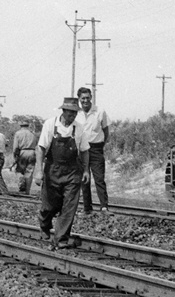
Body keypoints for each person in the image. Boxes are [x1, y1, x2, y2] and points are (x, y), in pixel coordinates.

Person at [34, 97, 91, 250]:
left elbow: (85, 150)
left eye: (75, 113)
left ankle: (61, 239)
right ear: (63, 111)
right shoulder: (50, 124)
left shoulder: (79, 128)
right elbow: (41, 148)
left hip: (73, 171)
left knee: (69, 206)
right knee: (49, 205)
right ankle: (44, 223)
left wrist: (86, 170)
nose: (72, 116)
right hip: (53, 170)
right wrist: (38, 171)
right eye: (70, 113)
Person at [76, 87, 110, 213]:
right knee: (84, 179)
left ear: (91, 97)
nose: (85, 100)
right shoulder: (76, 113)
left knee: (99, 178)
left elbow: (106, 131)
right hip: (81, 150)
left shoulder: (100, 111)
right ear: (79, 99)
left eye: (87, 98)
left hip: (96, 148)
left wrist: (100, 145)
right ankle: (87, 208)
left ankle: (104, 206)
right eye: (83, 98)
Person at [12, 121, 37, 194]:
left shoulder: (18, 133)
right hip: (32, 152)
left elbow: (15, 147)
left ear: (21, 126)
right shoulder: (33, 134)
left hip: (22, 152)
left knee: (19, 170)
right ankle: (27, 191)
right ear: (28, 126)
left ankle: (21, 182)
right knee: (29, 172)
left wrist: (15, 156)